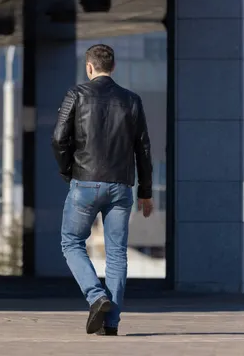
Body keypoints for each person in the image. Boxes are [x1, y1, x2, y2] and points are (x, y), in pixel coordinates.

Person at [51, 44, 154, 336]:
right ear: (114, 67)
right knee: (117, 254)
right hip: (122, 187)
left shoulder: (77, 95)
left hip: (84, 182)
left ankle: (96, 296)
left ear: (89, 67)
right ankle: (111, 325)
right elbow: (144, 150)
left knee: (71, 242)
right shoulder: (132, 100)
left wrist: (67, 171)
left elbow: (58, 139)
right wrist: (146, 192)